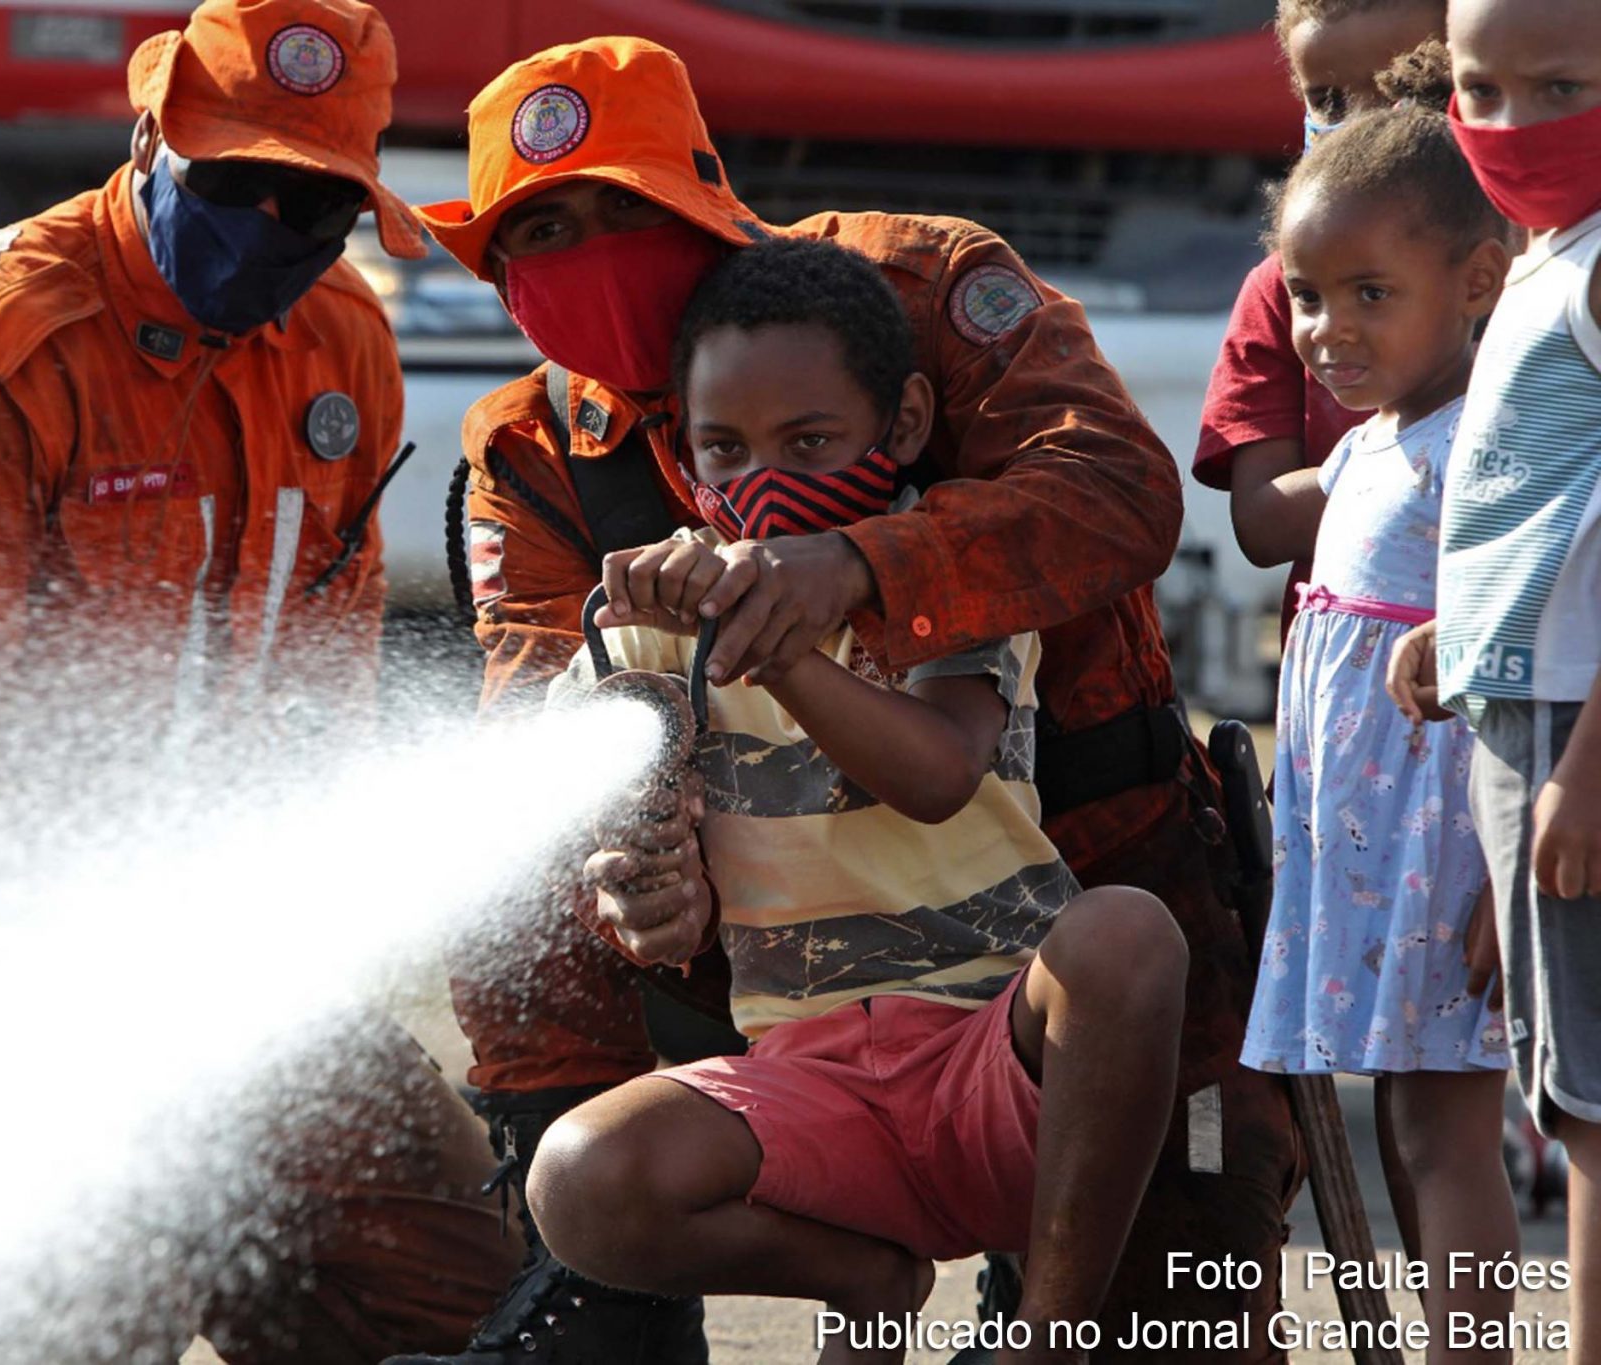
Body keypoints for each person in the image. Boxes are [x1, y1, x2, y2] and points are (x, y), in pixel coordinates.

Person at [397, 35, 1300, 1365]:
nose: (588, 259)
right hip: (787, 987)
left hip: (1089, 921)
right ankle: (618, 1308)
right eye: (540, 236)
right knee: (507, 897)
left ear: (704, 200)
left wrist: (852, 570)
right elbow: (547, 724)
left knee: (1185, 1327)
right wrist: (633, 870)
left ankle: (1050, 1311)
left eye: (621, 214)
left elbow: (1118, 492)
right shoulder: (537, 456)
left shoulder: (917, 292)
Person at [0, 2, 518, 1359]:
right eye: (236, 185)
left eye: (316, 206)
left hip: (216, 954)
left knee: (473, 1281)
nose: (272, 231)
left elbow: (317, 704)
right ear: (148, 137)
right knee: (107, 1281)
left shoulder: (343, 344)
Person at [532, 236, 1187, 1365]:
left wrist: (782, 648)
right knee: (582, 1179)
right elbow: (617, 858)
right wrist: (638, 894)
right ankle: (864, 1277)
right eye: (722, 449)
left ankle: (1048, 1338)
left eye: (810, 441)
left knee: (1125, 937)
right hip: (808, 1086)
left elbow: (936, 774)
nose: (761, 479)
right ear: (680, 455)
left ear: (900, 425)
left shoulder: (939, 577)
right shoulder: (644, 632)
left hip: (1002, 1067)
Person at [1242, 102, 1519, 1359]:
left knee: (1440, 1134)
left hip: (1447, 856)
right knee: (1406, 1123)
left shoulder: (1491, 448)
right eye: (1304, 295)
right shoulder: (1374, 442)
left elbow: (1548, 642)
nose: (1325, 331)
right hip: (1369, 855)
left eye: (1367, 293)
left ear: (1476, 281)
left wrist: (1503, 879)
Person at [1389, 0, 1601, 1354]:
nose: (1514, 124)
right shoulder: (1546, 256)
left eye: (1563, 85)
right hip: (1532, 712)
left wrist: (1587, 772)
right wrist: (1454, 639)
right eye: (1483, 86)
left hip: (1579, 730)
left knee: (1592, 1107)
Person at [1193, 0, 1444, 600]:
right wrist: (1432, 465)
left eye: (1397, 89)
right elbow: (1261, 522)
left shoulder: (1526, 273)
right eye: (1327, 100)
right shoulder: (1283, 292)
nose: (1358, 126)